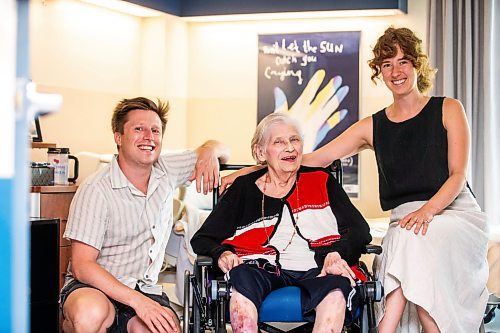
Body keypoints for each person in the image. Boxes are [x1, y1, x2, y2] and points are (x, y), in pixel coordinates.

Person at [220, 27, 489, 333]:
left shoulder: (448, 109)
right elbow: (308, 159)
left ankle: (386, 326)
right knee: (408, 238)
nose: (396, 71)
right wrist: (250, 170)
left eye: (403, 62)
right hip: (406, 222)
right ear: (380, 71)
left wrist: (427, 212)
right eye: (387, 64)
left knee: (412, 238)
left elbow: (458, 176)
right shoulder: (372, 126)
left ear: (417, 65)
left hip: (452, 213)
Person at [59, 97, 230, 333]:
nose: (149, 137)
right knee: (91, 313)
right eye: (138, 129)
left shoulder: (166, 169)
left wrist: (209, 152)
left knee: (163, 328)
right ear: (118, 137)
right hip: (93, 288)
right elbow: (82, 266)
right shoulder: (96, 189)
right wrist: (139, 302)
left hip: (144, 288)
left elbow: (223, 149)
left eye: (155, 130)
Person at [191, 112, 372, 333]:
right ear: (260, 151)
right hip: (260, 267)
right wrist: (222, 253)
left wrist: (337, 253)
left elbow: (359, 230)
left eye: (295, 140)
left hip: (318, 268)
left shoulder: (322, 181)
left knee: (336, 287)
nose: (290, 148)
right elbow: (203, 238)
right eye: (279, 142)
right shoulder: (243, 189)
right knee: (241, 278)